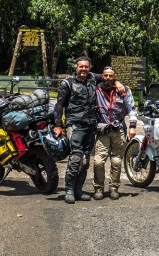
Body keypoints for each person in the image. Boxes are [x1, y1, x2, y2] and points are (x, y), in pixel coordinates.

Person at [52, 56, 124, 204]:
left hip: (91, 126)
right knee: (75, 157)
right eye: (81, 66)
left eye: (86, 66)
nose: (83, 69)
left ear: (89, 68)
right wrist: (58, 124)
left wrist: (117, 82)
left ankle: (78, 190)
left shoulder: (92, 78)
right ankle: (69, 190)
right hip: (75, 125)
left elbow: (108, 77)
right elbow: (59, 105)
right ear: (76, 68)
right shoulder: (68, 83)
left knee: (85, 160)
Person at [92, 66, 137, 200]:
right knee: (98, 161)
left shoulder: (123, 90)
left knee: (116, 161)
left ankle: (114, 188)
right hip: (103, 130)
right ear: (102, 76)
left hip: (119, 130)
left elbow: (132, 109)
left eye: (111, 76)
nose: (108, 78)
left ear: (115, 76)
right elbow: (86, 75)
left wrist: (132, 126)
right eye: (105, 75)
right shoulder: (96, 90)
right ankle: (98, 188)